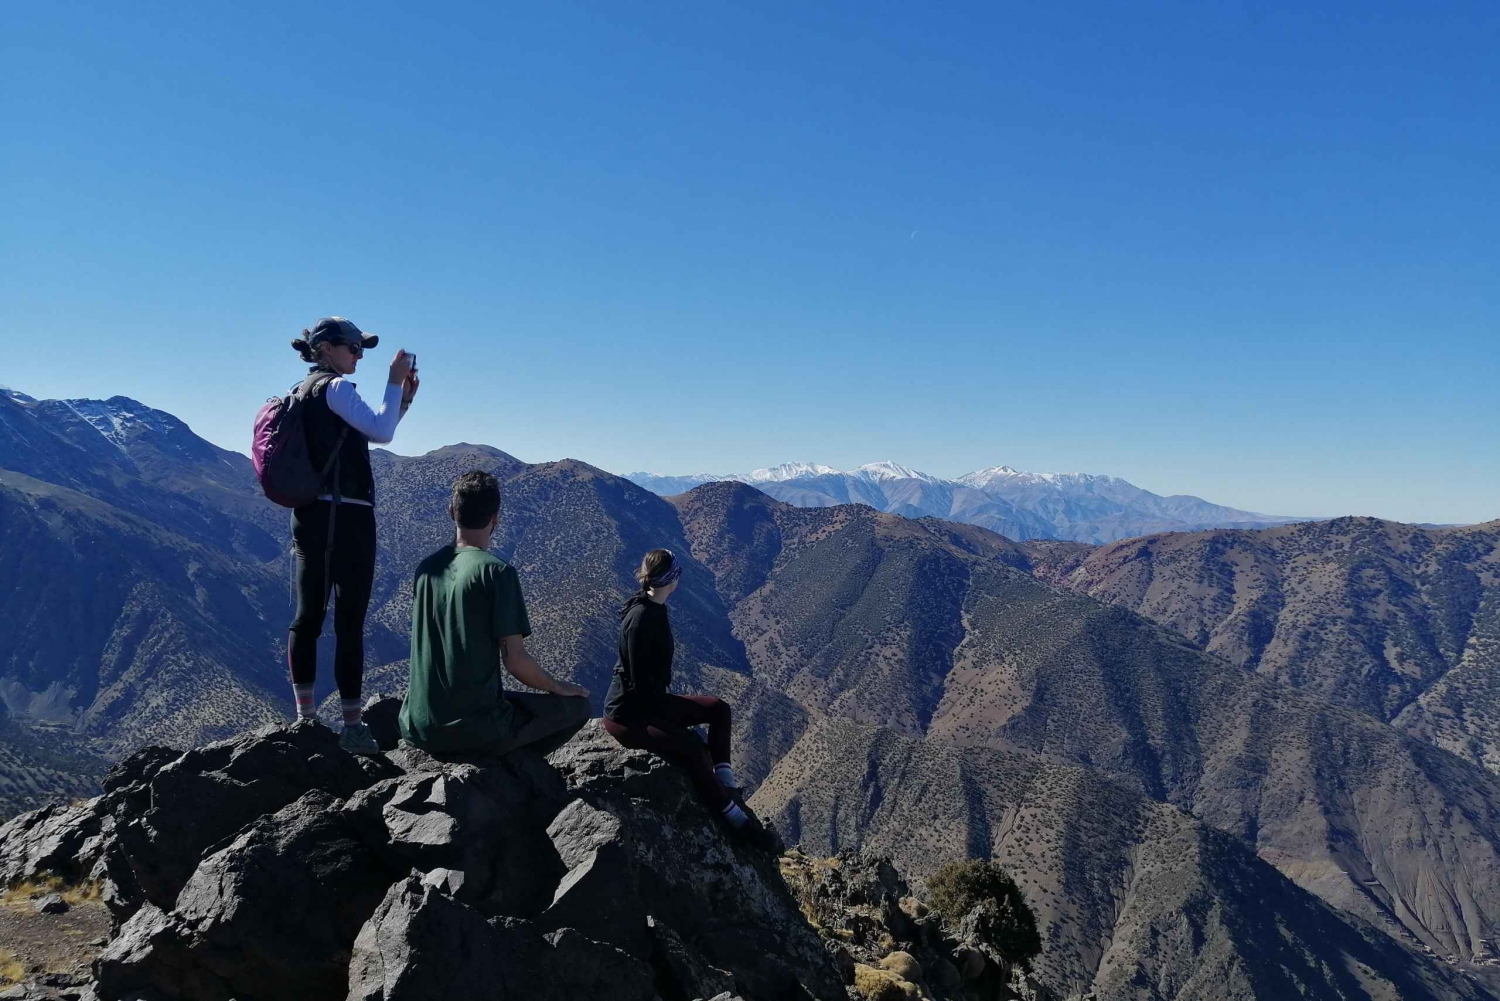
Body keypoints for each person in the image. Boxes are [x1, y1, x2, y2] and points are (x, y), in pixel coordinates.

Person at [286, 316, 418, 756]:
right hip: (349, 517)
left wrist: (400, 402)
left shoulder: (302, 391)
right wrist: (393, 381)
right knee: (349, 624)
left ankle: (305, 718)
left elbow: (368, 431)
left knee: (308, 617)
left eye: (362, 349)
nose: (358, 355)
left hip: (308, 514)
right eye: (352, 347)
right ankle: (353, 726)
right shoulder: (338, 388)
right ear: (326, 348)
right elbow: (379, 432)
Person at [399, 470, 592, 756]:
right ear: (495, 518)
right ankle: (510, 766)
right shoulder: (496, 572)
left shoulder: (426, 569)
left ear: (451, 511)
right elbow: (514, 660)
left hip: (416, 723)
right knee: (578, 707)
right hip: (472, 728)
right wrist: (558, 686)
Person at [602, 549, 778, 850]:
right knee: (694, 751)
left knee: (719, 710)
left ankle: (727, 785)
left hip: (650, 702)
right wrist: (669, 723)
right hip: (628, 716)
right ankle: (736, 820)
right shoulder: (641, 617)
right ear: (672, 579)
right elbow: (637, 681)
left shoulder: (652, 606)